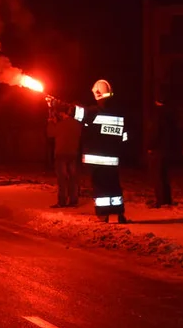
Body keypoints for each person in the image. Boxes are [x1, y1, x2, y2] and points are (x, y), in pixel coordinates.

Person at [53, 79, 128, 222]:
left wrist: (58, 105)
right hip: (113, 159)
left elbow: (76, 112)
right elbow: (124, 137)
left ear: (98, 93)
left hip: (97, 159)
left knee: (100, 187)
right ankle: (119, 213)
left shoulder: (95, 112)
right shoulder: (119, 113)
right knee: (114, 185)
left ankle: (103, 214)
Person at [47, 103, 82, 207]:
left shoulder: (60, 124)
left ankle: (62, 201)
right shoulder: (77, 124)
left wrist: (50, 122)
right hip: (73, 153)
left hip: (61, 154)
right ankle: (73, 200)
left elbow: (50, 134)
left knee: (62, 179)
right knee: (73, 178)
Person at [146, 94, 174, 208]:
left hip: (157, 149)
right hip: (167, 148)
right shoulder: (170, 114)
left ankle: (160, 200)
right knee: (164, 174)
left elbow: (154, 132)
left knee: (157, 175)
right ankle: (167, 199)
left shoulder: (157, 114)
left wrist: (150, 146)